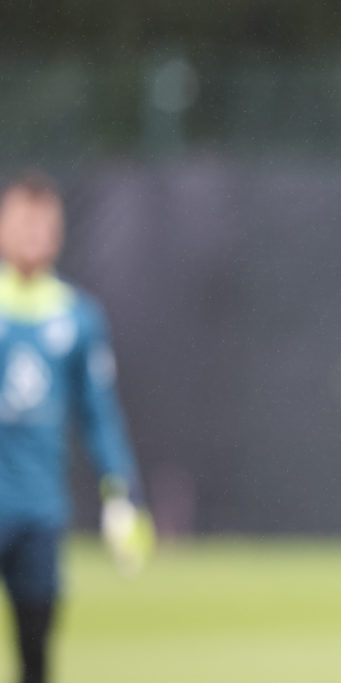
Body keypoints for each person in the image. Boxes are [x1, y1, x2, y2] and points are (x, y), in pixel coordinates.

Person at [0, 172, 153, 683]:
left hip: (39, 511)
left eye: (46, 224)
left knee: (36, 651)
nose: (35, 234)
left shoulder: (77, 316)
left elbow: (99, 414)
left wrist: (121, 495)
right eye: (24, 221)